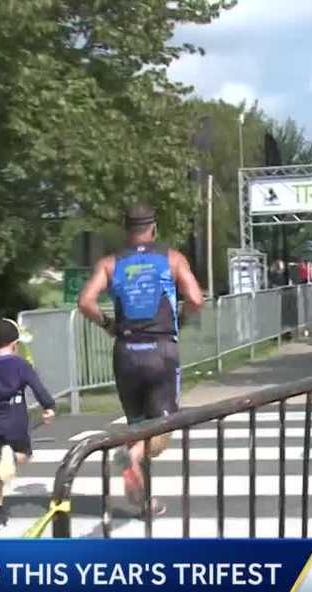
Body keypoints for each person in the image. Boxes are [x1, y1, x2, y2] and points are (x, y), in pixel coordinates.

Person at [77, 203, 204, 517]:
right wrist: (181, 321)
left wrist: (109, 325)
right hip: (161, 352)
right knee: (159, 432)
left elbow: (85, 302)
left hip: (126, 354)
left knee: (138, 429)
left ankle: (145, 504)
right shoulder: (172, 258)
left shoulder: (110, 263)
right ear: (154, 227)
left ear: (125, 228)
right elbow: (196, 299)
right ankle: (130, 456)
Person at [0, 318, 56, 530]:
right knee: (24, 455)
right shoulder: (20, 365)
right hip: (14, 426)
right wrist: (48, 406)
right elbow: (37, 387)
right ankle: (13, 458)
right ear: (15, 343)